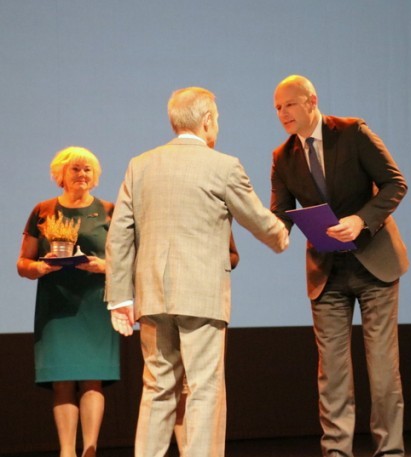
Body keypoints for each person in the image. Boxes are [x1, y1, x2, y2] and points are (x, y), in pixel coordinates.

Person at [105, 86, 289, 457]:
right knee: (204, 389)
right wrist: (282, 234)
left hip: (153, 296)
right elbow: (258, 220)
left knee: (157, 388)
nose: (217, 125)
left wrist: (120, 297)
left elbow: (120, 233)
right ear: (206, 121)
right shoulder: (223, 165)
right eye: (216, 119)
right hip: (202, 295)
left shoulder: (140, 165)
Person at [270, 75, 409, 457]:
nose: (283, 113)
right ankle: (336, 453)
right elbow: (280, 214)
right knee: (332, 373)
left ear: (311, 101)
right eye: (278, 108)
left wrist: (361, 220)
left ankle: (390, 452)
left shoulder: (352, 132)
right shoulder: (282, 156)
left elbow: (395, 184)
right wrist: (270, 230)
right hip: (326, 271)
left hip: (374, 265)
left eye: (289, 104)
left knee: (382, 370)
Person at [17, 146, 120, 457]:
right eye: (75, 169)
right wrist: (39, 268)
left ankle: (90, 450)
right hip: (56, 306)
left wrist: (103, 266)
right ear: (60, 174)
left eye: (88, 169)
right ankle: (66, 452)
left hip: (95, 304)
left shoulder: (109, 210)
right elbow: (23, 263)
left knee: (92, 380)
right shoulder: (43, 210)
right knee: (61, 380)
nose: (82, 174)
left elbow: (127, 260)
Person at [173, 235, 239, 454]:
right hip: (167, 305)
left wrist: (211, 259)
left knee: (203, 387)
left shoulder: (216, 216)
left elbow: (233, 256)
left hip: (207, 304)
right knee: (172, 386)